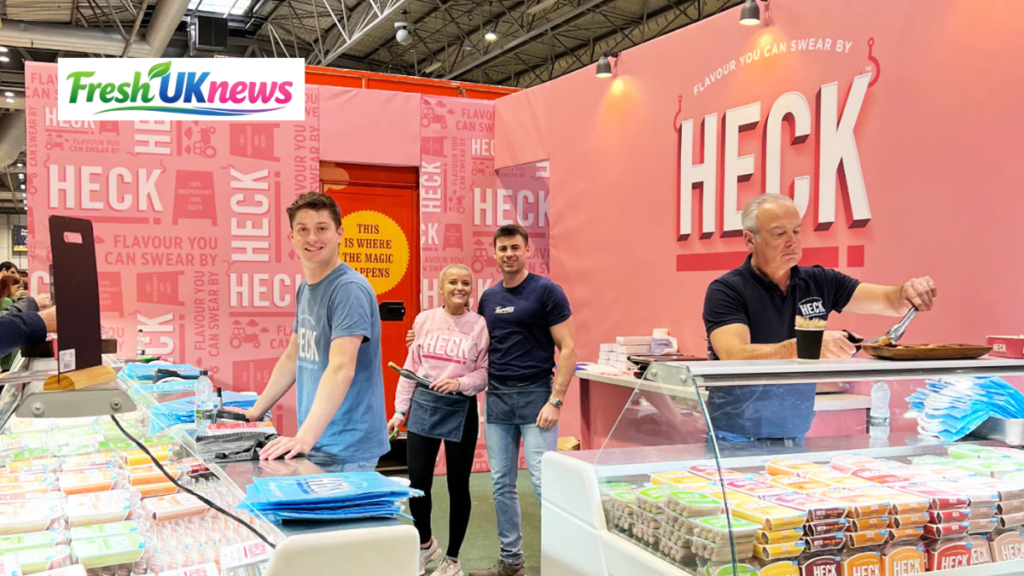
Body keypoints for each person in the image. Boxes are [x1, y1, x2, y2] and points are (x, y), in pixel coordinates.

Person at [702, 194, 938, 441]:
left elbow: (889, 300)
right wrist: (807, 346)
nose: (792, 242)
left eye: (796, 231)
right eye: (779, 233)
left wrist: (909, 291)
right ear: (750, 240)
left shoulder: (819, 281)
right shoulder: (726, 290)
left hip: (794, 433)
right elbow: (734, 355)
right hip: (734, 435)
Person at [230, 192, 389, 469]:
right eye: (303, 229)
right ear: (291, 237)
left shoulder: (348, 289)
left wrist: (304, 438)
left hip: (346, 447)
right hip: (319, 439)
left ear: (339, 234)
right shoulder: (306, 287)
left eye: (322, 228)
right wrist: (255, 411)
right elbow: (293, 357)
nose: (312, 238)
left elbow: (341, 368)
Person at [472, 224, 575, 576]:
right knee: (501, 484)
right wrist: (422, 337)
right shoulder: (488, 298)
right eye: (503, 248)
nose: (509, 254)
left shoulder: (547, 291)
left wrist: (555, 401)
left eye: (515, 247)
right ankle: (511, 562)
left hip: (536, 398)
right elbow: (474, 344)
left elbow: (569, 348)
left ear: (527, 250)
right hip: (498, 398)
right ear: (495, 253)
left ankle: (567, 564)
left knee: (544, 483)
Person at [388, 264, 489, 576]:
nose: (460, 288)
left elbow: (484, 372)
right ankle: (425, 545)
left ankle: (453, 560)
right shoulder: (424, 320)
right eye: (453, 282)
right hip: (424, 404)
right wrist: (399, 412)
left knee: (458, 486)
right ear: (440, 288)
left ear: (471, 289)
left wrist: (460, 383)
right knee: (418, 484)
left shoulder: (479, 324)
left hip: (461, 408)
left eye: (466, 283)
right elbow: (411, 367)